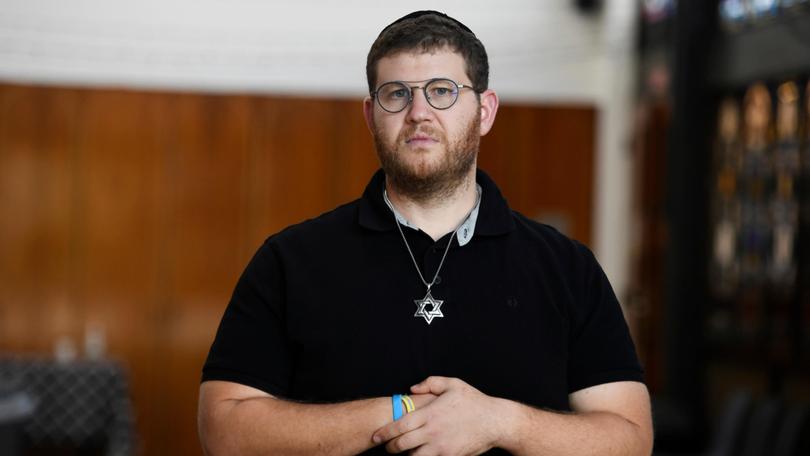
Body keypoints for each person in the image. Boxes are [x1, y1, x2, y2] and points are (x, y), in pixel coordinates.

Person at [198, 10, 652, 456]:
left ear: (485, 110)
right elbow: (224, 428)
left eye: (442, 91)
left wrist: (499, 422)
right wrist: (404, 411)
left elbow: (631, 438)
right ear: (371, 114)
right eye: (396, 94)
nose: (419, 113)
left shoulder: (567, 268)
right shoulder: (290, 261)